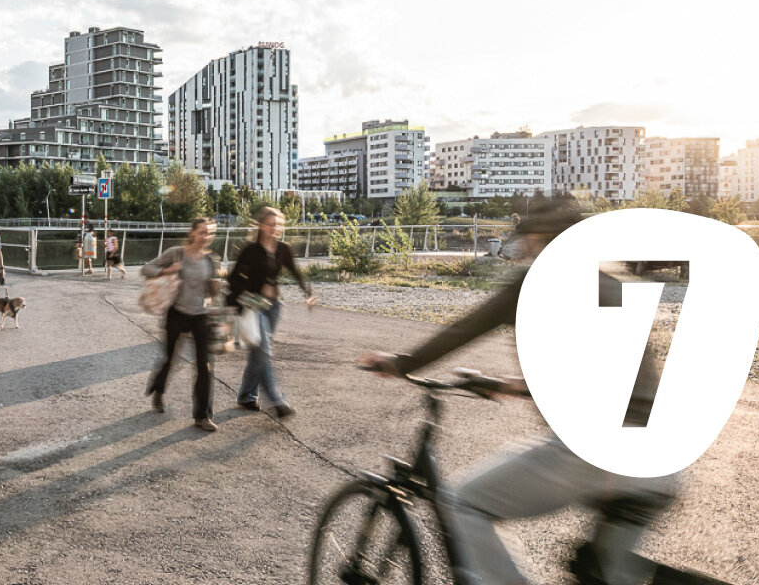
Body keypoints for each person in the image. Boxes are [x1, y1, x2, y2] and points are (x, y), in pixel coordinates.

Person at [360, 200, 679, 585]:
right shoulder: (611, 286)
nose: (524, 247)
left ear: (543, 238)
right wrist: (511, 386)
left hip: (597, 452)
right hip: (662, 462)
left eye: (527, 238)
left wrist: (402, 363)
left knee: (461, 503)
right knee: (606, 573)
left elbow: (466, 328)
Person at [227, 205, 315, 418]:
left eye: (277, 224)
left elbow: (295, 272)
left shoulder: (282, 249)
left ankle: (246, 395)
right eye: (270, 224)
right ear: (261, 226)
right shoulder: (250, 250)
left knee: (258, 354)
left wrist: (307, 292)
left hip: (273, 307)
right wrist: (246, 293)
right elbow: (233, 279)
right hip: (254, 306)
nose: (274, 228)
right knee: (264, 352)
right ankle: (278, 401)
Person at [142, 216, 223, 431]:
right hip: (176, 314)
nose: (206, 236)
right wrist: (165, 271)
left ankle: (202, 416)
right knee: (170, 358)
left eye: (209, 233)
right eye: (202, 232)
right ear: (193, 232)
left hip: (200, 315)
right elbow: (146, 268)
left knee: (205, 365)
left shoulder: (210, 260)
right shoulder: (176, 253)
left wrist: (215, 287)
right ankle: (159, 390)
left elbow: (211, 292)